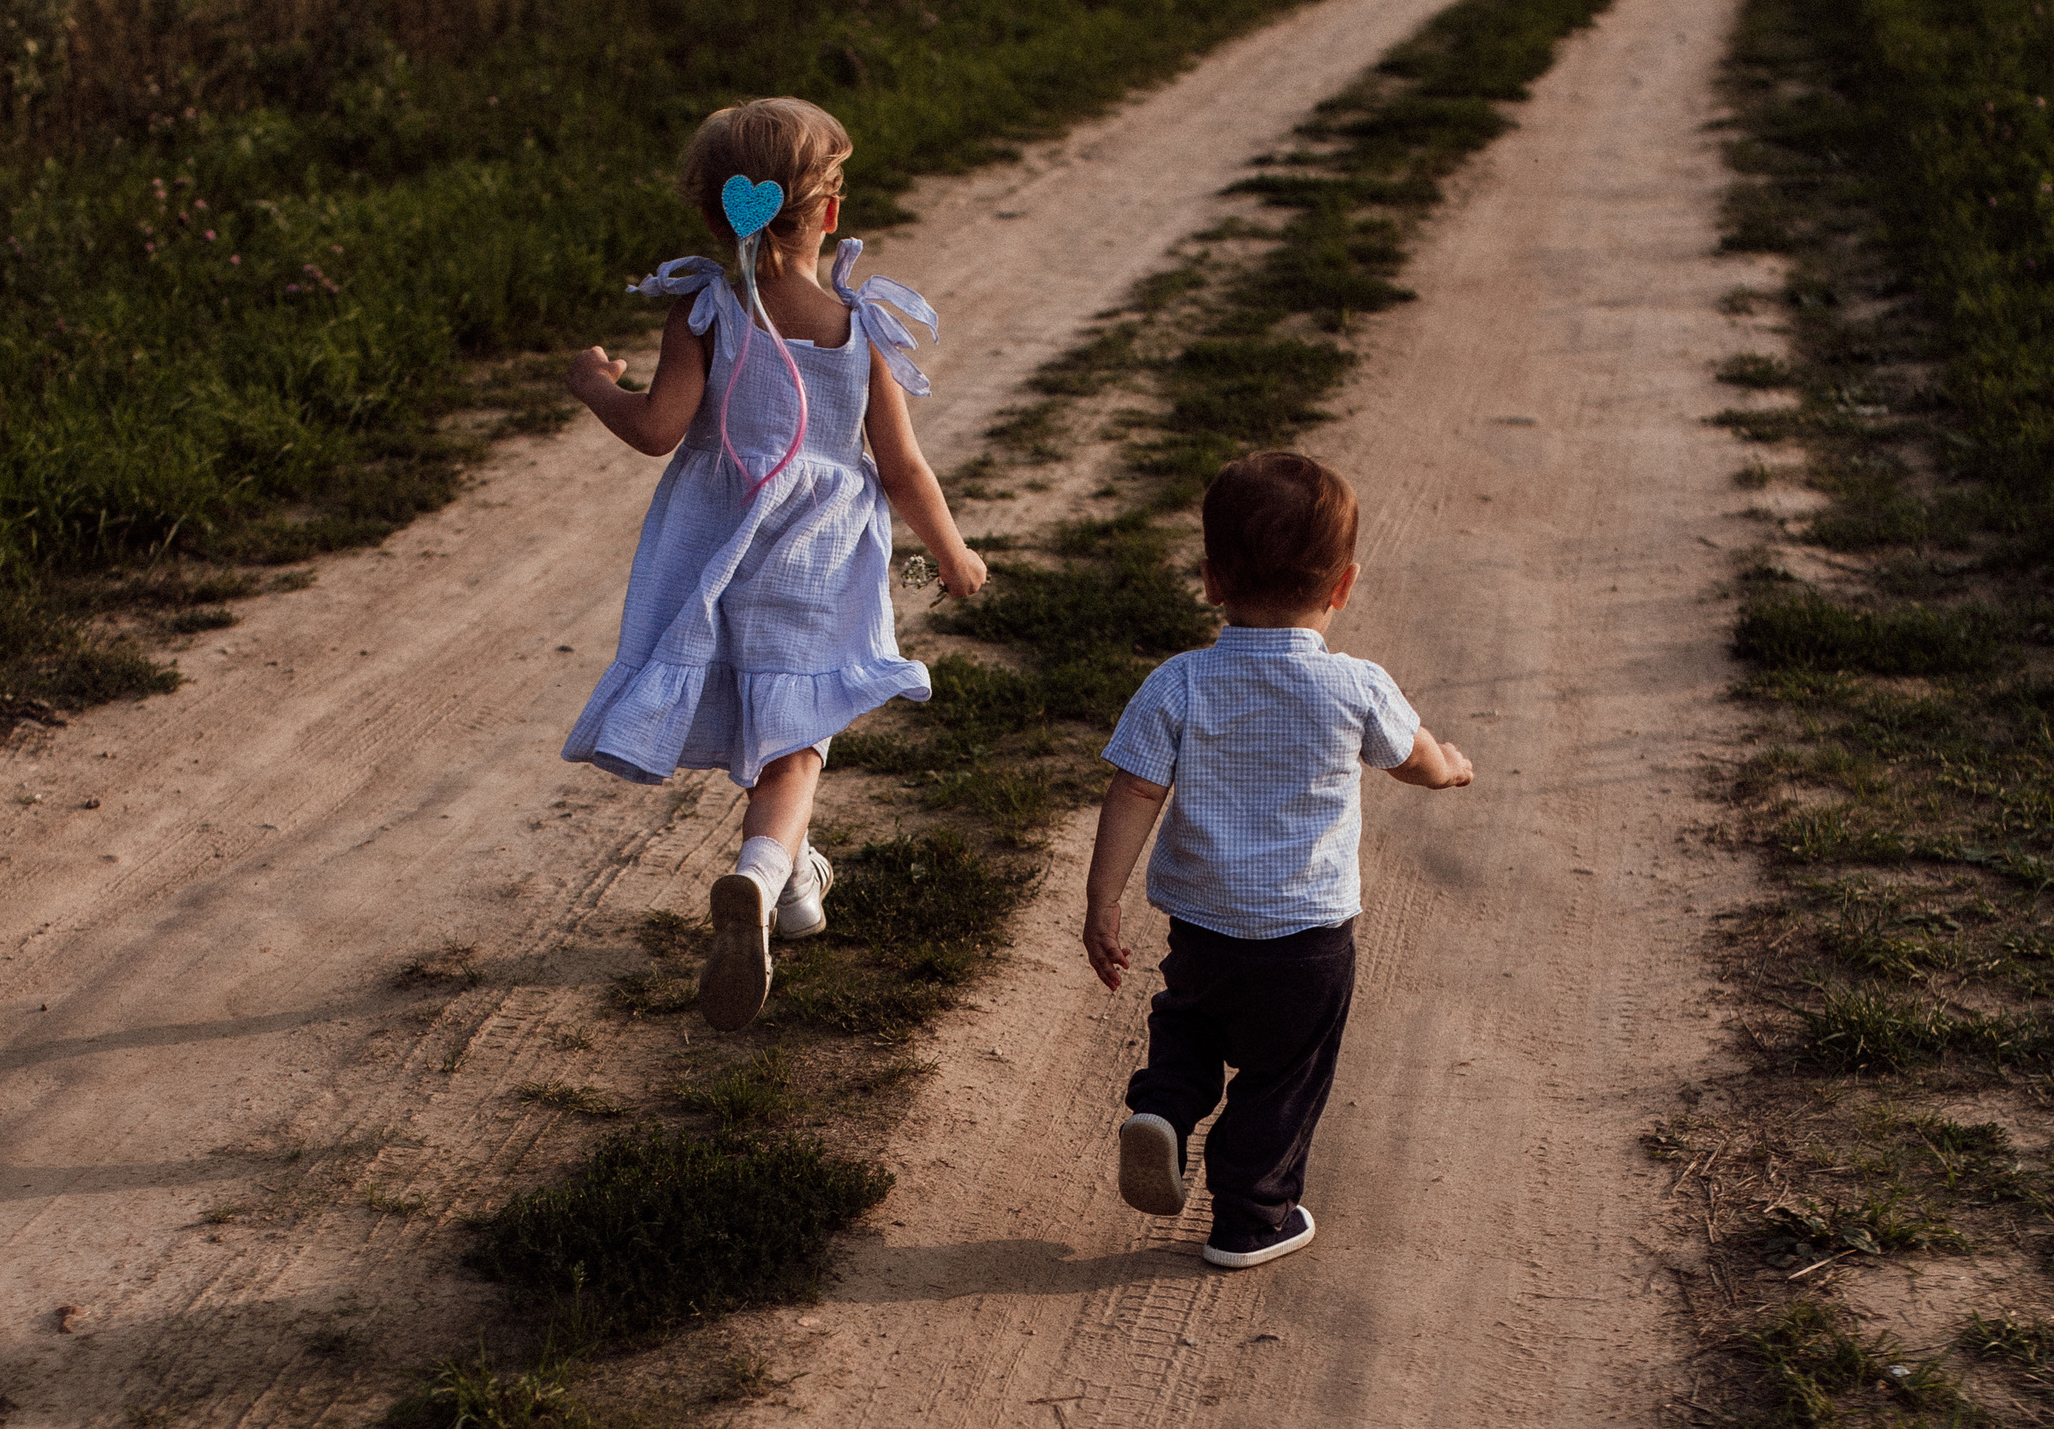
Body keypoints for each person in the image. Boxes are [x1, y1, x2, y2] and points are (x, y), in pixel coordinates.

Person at [563, 97, 988, 1031]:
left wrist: (597, 383)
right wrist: (949, 552)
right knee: (795, 741)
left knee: (767, 717)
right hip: (820, 560)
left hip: (724, 552)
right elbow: (902, 464)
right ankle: (760, 875)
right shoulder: (860, 324)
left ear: (718, 216)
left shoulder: (705, 313)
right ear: (828, 212)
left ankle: (793, 886)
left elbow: (656, 430)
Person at [1081, 451, 1473, 1269]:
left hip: (1204, 926)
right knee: (1283, 1074)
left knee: (1189, 1020)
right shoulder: (1354, 685)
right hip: (1307, 939)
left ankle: (1162, 1109)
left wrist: (1103, 899)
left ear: (1212, 579)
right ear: (1343, 585)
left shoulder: (1179, 682)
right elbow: (1414, 757)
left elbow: (1135, 792)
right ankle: (1251, 1220)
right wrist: (1452, 766)